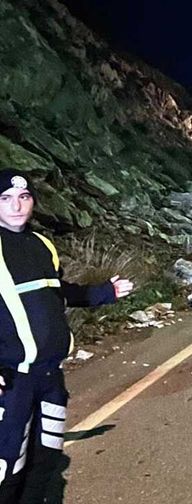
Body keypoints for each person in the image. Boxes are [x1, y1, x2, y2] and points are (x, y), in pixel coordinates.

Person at [0, 169, 134, 503]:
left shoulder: (42, 244)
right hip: (12, 382)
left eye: (24, 197)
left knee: (46, 462)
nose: (16, 206)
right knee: (7, 469)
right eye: (5, 199)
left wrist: (106, 293)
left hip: (51, 377)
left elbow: (60, 292)